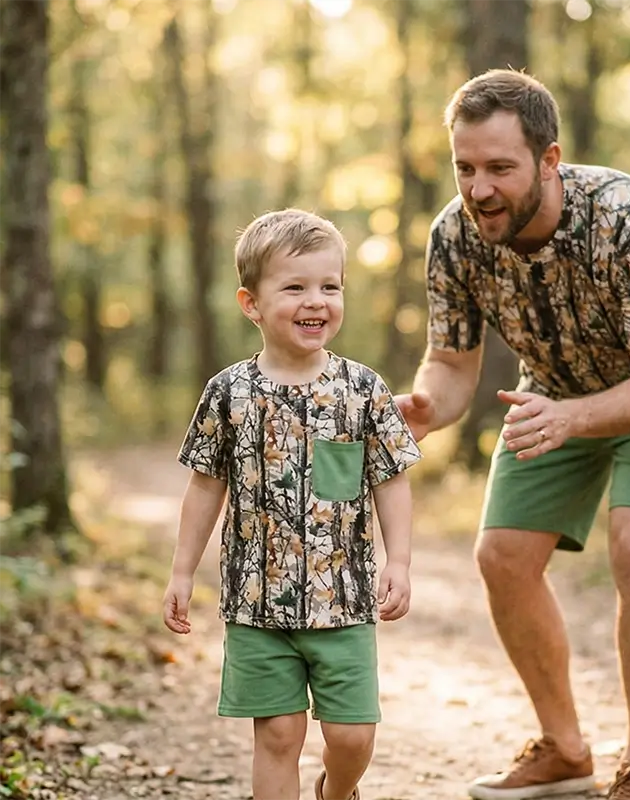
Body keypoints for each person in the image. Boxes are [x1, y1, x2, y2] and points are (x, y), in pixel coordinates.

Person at [395, 69, 630, 800]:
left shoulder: (627, 217)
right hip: (555, 385)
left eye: (499, 169)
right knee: (502, 556)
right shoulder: (454, 236)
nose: (478, 189)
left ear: (550, 161)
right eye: (465, 168)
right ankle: (566, 749)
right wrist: (424, 405)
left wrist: (573, 416)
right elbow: (451, 363)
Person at [162, 209, 422, 800]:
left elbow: (391, 479)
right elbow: (205, 484)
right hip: (256, 606)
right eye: (296, 287)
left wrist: (399, 560)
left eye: (330, 286)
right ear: (251, 303)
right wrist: (182, 570)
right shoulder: (228, 393)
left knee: (352, 735)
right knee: (278, 734)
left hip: (345, 602)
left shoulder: (363, 390)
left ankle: (337, 790)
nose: (317, 301)